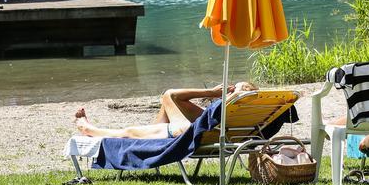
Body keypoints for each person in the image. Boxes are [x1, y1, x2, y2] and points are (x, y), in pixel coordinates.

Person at [74, 81, 258, 139]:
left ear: (240, 95)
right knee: (167, 105)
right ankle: (149, 133)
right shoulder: (247, 115)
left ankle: (88, 129)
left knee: (130, 132)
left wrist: (211, 92)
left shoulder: (228, 106)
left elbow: (172, 95)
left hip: (185, 133)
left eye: (236, 89)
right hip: (208, 133)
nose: (231, 90)